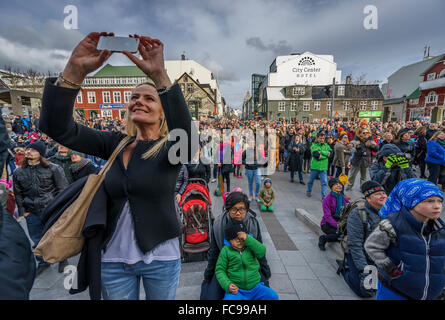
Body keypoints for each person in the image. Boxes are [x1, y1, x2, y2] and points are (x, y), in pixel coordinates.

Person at [39, 32, 193, 300]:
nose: (139, 101)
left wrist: (159, 76)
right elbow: (58, 128)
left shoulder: (169, 149)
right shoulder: (115, 143)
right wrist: (74, 72)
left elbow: (188, 143)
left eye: (149, 98)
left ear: (162, 111)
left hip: (161, 258)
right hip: (112, 260)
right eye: (135, 97)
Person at [364, 179, 445, 300]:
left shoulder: (440, 229)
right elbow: (372, 246)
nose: (437, 206)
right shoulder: (392, 224)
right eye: (429, 201)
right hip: (395, 291)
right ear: (411, 201)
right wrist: (390, 269)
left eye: (440, 201)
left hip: (431, 294)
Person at [201, 191, 271, 300]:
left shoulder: (252, 223)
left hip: (249, 268)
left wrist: (266, 271)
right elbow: (214, 252)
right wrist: (208, 275)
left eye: (241, 209)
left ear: (246, 210)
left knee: (267, 293)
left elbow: (260, 249)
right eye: (234, 209)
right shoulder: (219, 224)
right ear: (227, 209)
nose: (238, 213)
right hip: (228, 267)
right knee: (209, 296)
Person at [12, 141, 68, 275]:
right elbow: (18, 193)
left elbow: (62, 190)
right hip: (31, 211)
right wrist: (23, 212)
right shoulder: (18, 172)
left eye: (33, 150)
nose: (28, 151)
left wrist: (60, 209)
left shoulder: (53, 168)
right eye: (28, 149)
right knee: (37, 239)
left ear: (41, 154)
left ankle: (63, 259)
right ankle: (43, 262)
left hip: (51, 209)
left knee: (57, 236)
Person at [337, 181, 387, 298]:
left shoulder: (390, 212)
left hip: (379, 257)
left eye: (384, 193)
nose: (383, 196)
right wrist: (365, 270)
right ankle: (345, 269)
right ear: (368, 199)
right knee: (365, 292)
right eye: (378, 194)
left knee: (379, 288)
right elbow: (355, 245)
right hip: (360, 254)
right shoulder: (358, 214)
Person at [215, 219, 279, 300]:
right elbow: (220, 270)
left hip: (256, 287)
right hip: (237, 290)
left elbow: (262, 251)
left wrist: (248, 239)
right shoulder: (226, 250)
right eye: (235, 238)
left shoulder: (250, 245)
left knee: (273, 296)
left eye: (241, 238)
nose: (239, 241)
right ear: (229, 240)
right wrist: (227, 285)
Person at [318, 178, 349, 250]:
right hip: (327, 224)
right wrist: (337, 225)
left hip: (340, 222)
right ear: (331, 187)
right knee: (340, 234)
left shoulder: (343, 198)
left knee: (349, 233)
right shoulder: (327, 199)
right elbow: (327, 216)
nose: (339, 186)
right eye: (336, 184)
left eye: (340, 184)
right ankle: (323, 238)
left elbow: (349, 208)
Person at [306, 131, 332, 199]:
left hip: (323, 168)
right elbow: (316, 155)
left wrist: (322, 152)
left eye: (323, 138)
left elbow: (331, 154)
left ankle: (324, 197)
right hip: (314, 167)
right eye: (320, 138)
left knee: (324, 183)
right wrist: (326, 155)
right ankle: (308, 191)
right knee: (310, 181)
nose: (322, 140)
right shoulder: (314, 145)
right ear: (317, 138)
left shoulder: (327, 145)